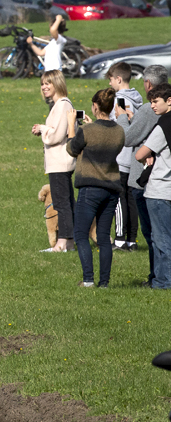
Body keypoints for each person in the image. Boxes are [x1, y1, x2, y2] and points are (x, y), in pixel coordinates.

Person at [67, 88, 125, 287]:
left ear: (95, 106)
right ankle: (104, 283)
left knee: (81, 234)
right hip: (111, 189)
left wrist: (71, 127)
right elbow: (104, 143)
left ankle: (88, 280)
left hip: (90, 188)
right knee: (102, 236)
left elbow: (71, 149)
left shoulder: (87, 131)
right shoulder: (119, 131)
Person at [116, 65, 169, 284]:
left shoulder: (150, 109)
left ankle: (158, 277)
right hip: (157, 180)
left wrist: (121, 117)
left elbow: (128, 138)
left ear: (148, 84)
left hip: (145, 181)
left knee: (154, 236)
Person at [31, 70, 76, 253]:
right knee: (66, 202)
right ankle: (70, 243)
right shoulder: (60, 105)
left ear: (57, 83)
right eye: (42, 84)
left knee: (61, 203)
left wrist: (42, 129)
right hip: (60, 161)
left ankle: (62, 243)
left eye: (48, 83)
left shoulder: (62, 105)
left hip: (60, 162)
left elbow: (56, 135)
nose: (44, 87)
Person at [134, 82, 171, 289]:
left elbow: (140, 153)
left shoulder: (164, 124)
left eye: (155, 101)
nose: (152, 106)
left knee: (161, 239)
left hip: (160, 189)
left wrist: (147, 156)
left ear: (169, 101)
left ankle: (163, 282)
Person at [106, 62, 144, 250]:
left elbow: (117, 126)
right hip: (135, 157)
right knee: (131, 199)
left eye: (111, 80)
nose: (111, 84)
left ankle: (120, 239)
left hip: (121, 156)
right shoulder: (139, 99)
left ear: (118, 79)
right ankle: (132, 240)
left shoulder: (118, 100)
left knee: (119, 199)